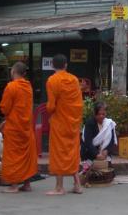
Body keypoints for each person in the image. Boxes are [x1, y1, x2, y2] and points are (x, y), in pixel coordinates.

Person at [45, 54, 84, 196]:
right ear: (66, 65)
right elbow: (79, 103)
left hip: (60, 122)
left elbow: (50, 106)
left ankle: (59, 187)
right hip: (72, 122)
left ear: (52, 65)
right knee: (72, 152)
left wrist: (50, 112)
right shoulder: (73, 79)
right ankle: (77, 185)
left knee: (59, 152)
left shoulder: (52, 80)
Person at [0, 62, 38, 193]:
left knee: (13, 156)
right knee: (25, 156)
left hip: (15, 127)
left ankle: (14, 185)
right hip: (26, 126)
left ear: (13, 71)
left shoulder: (11, 87)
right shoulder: (28, 86)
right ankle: (27, 184)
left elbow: (5, 108)